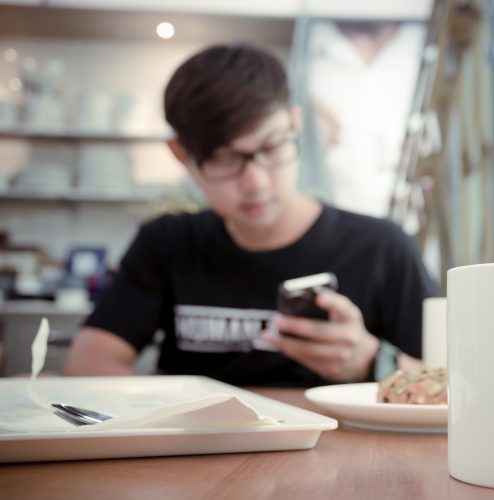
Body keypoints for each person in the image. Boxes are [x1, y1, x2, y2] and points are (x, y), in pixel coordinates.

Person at [62, 43, 436, 387]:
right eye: (226, 159)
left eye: (271, 146)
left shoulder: (382, 248)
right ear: (182, 156)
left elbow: (449, 381)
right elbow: (88, 363)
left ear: (295, 124)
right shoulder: (167, 244)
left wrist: (373, 363)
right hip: (199, 456)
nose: (256, 182)